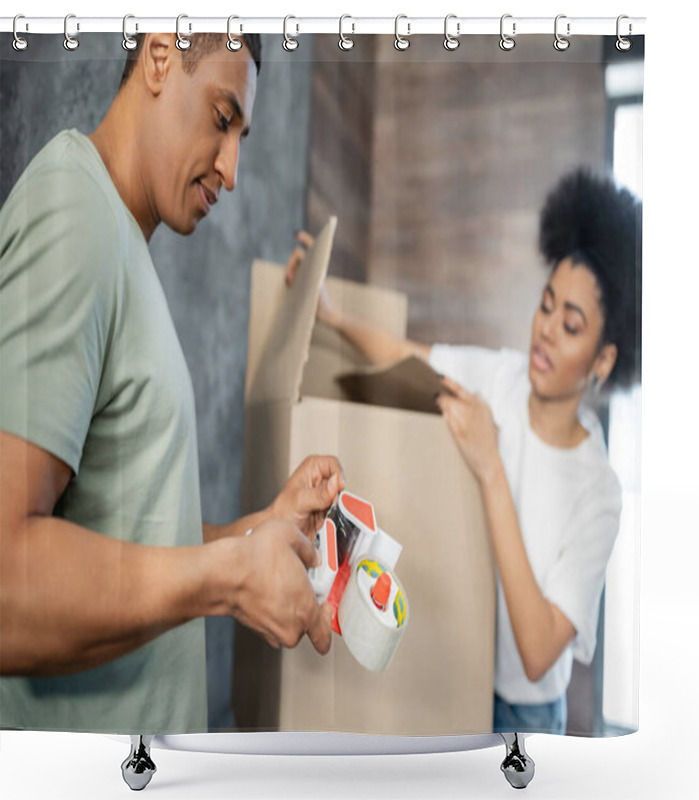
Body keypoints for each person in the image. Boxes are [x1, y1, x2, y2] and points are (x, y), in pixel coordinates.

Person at [0, 32, 341, 734]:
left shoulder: (119, 239)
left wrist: (256, 534)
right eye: (223, 119)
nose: (233, 168)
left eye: (242, 135)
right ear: (159, 58)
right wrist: (228, 579)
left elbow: (125, 529)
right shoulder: (74, 214)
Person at [286, 169, 642, 734]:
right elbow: (407, 355)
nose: (545, 330)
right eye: (546, 305)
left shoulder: (599, 494)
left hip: (523, 716)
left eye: (570, 326)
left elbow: (537, 651)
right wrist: (330, 314)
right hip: (459, 678)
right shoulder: (502, 377)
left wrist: (490, 466)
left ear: (602, 363)